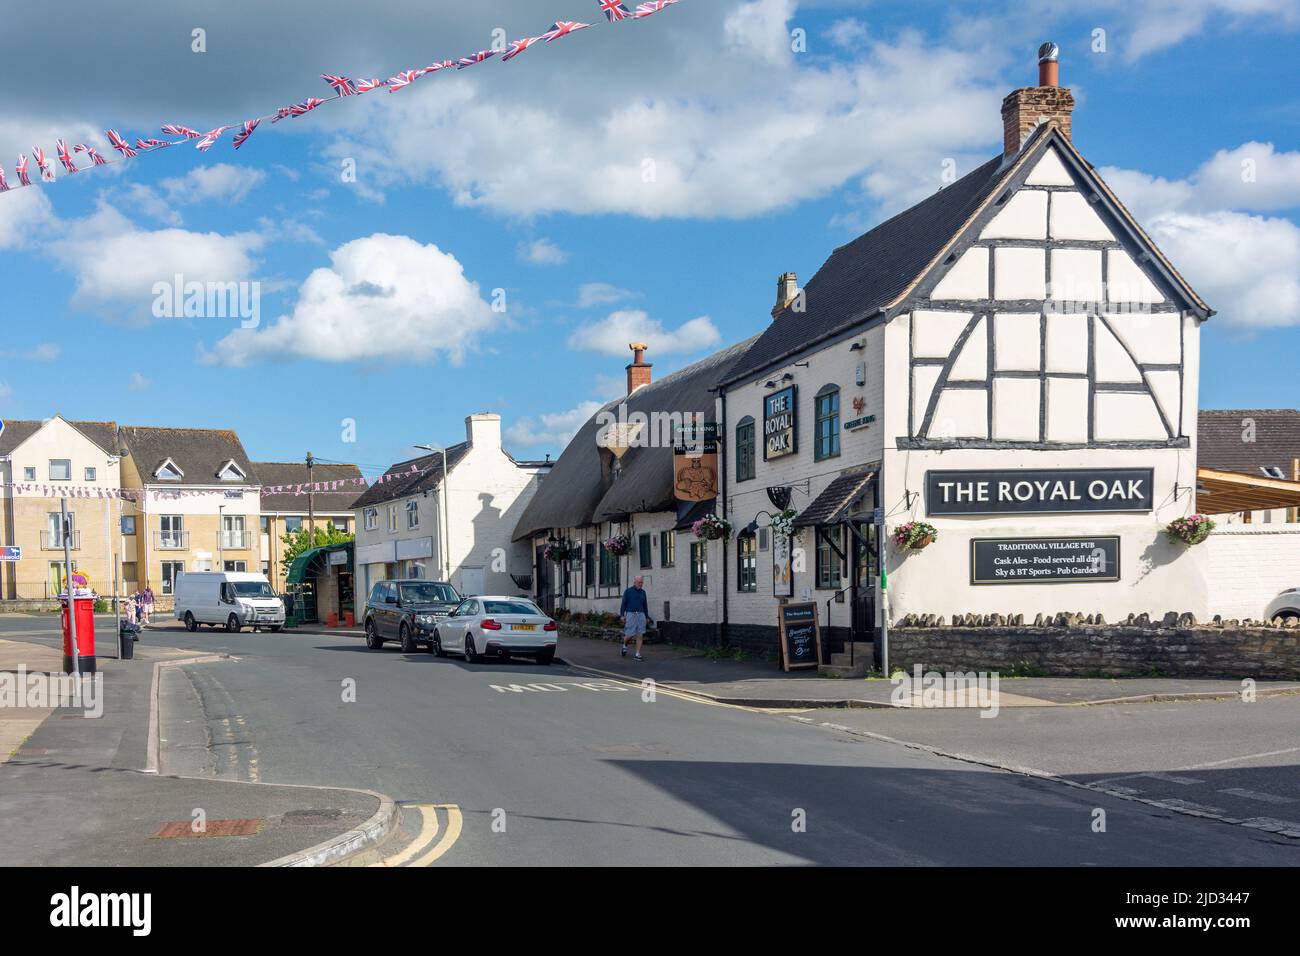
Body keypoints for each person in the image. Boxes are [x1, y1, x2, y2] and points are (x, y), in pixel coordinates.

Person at [619, 575, 652, 661]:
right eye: (639, 582)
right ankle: (625, 645)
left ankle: (637, 654)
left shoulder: (643, 592)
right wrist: (622, 615)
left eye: (642, 582)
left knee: (640, 635)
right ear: (635, 582)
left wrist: (647, 617)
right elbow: (623, 604)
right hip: (631, 614)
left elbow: (645, 606)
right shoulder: (628, 591)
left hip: (641, 614)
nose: (641, 584)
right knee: (629, 634)